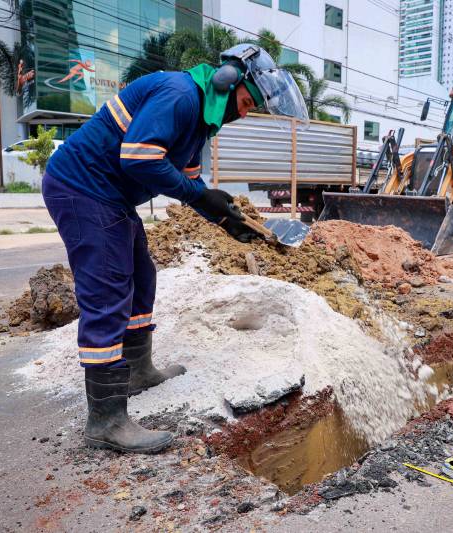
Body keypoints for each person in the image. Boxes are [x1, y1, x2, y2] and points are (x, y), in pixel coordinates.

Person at [42, 44, 308, 454]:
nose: (244, 112)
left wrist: (225, 218)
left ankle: (137, 371)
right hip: (83, 189)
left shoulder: (199, 121)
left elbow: (189, 182)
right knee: (108, 291)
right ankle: (106, 421)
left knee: (142, 277)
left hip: (109, 196)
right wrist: (200, 199)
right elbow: (139, 159)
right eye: (245, 102)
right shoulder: (180, 95)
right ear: (228, 81)